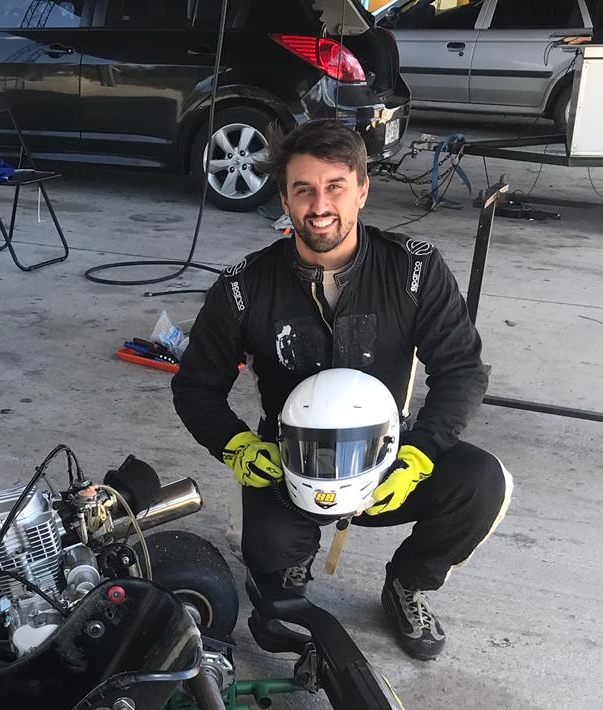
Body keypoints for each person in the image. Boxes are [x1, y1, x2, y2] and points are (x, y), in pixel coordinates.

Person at [172, 119, 513, 661]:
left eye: (335, 187)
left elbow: (462, 370)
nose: (320, 205)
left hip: (388, 460)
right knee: (269, 583)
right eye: (303, 189)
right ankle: (289, 564)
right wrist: (236, 446)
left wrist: (422, 451)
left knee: (482, 484)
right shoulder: (242, 287)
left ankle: (408, 582)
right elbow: (196, 387)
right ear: (284, 198)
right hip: (287, 462)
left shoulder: (414, 270)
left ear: (362, 190)